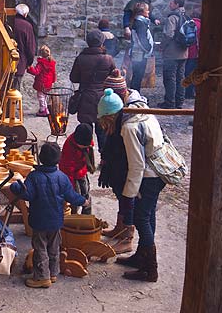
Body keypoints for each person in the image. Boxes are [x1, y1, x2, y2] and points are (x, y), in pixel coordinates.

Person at [97, 88, 166, 282]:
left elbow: (137, 165)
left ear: (110, 117)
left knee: (141, 218)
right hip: (156, 169)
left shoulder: (128, 128)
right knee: (148, 214)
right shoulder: (138, 109)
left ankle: (150, 269)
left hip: (151, 174)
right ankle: (141, 256)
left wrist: (129, 195)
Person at [10, 142, 88, 288]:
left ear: (40, 158)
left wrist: (16, 186)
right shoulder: (62, 177)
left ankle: (42, 277)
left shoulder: (34, 177)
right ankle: (53, 273)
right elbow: (71, 196)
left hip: (39, 221)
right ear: (58, 159)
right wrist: (84, 201)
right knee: (54, 247)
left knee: (40, 248)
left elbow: (27, 194)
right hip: (56, 221)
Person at [98, 70, 143, 254]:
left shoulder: (130, 113)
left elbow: (131, 151)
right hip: (118, 160)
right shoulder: (116, 108)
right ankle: (120, 227)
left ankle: (127, 237)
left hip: (128, 162)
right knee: (120, 193)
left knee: (128, 197)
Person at [70, 30, 116, 153]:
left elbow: (73, 78)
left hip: (85, 96)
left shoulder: (81, 59)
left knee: (86, 131)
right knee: (102, 131)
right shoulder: (108, 59)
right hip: (103, 98)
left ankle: (86, 159)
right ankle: (105, 158)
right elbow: (115, 77)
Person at [158, 0, 188, 109]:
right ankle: (179, 102)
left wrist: (162, 46)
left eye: (171, 2)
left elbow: (168, 35)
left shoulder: (172, 18)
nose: (169, 4)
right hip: (184, 52)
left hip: (172, 53)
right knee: (180, 77)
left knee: (170, 78)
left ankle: (170, 102)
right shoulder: (186, 16)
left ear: (176, 4)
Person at [59, 123, 95, 215]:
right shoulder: (69, 147)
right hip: (71, 175)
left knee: (86, 193)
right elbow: (67, 170)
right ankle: (74, 216)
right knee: (75, 196)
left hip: (82, 171)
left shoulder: (87, 142)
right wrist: (70, 189)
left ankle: (86, 216)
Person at [129, 2, 154, 92]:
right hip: (139, 53)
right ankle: (134, 97)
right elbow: (141, 40)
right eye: (147, 9)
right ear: (142, 11)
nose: (148, 11)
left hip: (139, 53)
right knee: (137, 76)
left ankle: (135, 95)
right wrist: (148, 49)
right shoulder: (139, 23)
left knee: (138, 76)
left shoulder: (141, 22)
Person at [27, 45, 56, 117]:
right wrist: (53, 80)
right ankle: (45, 108)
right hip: (48, 83)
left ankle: (43, 109)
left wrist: (29, 68)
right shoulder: (51, 63)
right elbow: (54, 73)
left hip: (41, 83)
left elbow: (36, 71)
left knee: (41, 96)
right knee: (45, 96)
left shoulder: (41, 63)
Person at [13, 4, 37, 91]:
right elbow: (30, 47)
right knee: (15, 90)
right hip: (20, 62)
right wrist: (29, 62)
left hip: (5, 60)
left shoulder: (9, 22)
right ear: (25, 14)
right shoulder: (27, 26)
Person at [184, 9, 201, 99]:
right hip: (196, 52)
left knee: (187, 72)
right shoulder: (201, 25)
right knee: (193, 72)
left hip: (187, 51)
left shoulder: (188, 24)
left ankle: (186, 91)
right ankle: (190, 92)